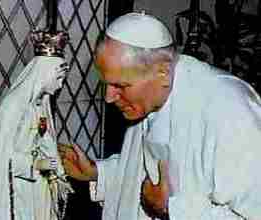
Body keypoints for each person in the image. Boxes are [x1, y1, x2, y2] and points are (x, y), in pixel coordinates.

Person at [59, 12, 261, 220]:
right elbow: (144, 171)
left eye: (120, 85)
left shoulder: (231, 111)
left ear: (162, 73)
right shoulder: (151, 95)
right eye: (106, 84)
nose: (109, 98)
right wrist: (97, 172)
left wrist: (171, 209)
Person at [0, 31, 73, 220]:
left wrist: (58, 174)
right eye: (59, 78)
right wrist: (35, 163)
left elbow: (46, 142)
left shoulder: (40, 103)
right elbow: (4, 159)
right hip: (19, 187)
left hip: (40, 184)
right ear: (45, 73)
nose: (60, 85)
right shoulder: (13, 105)